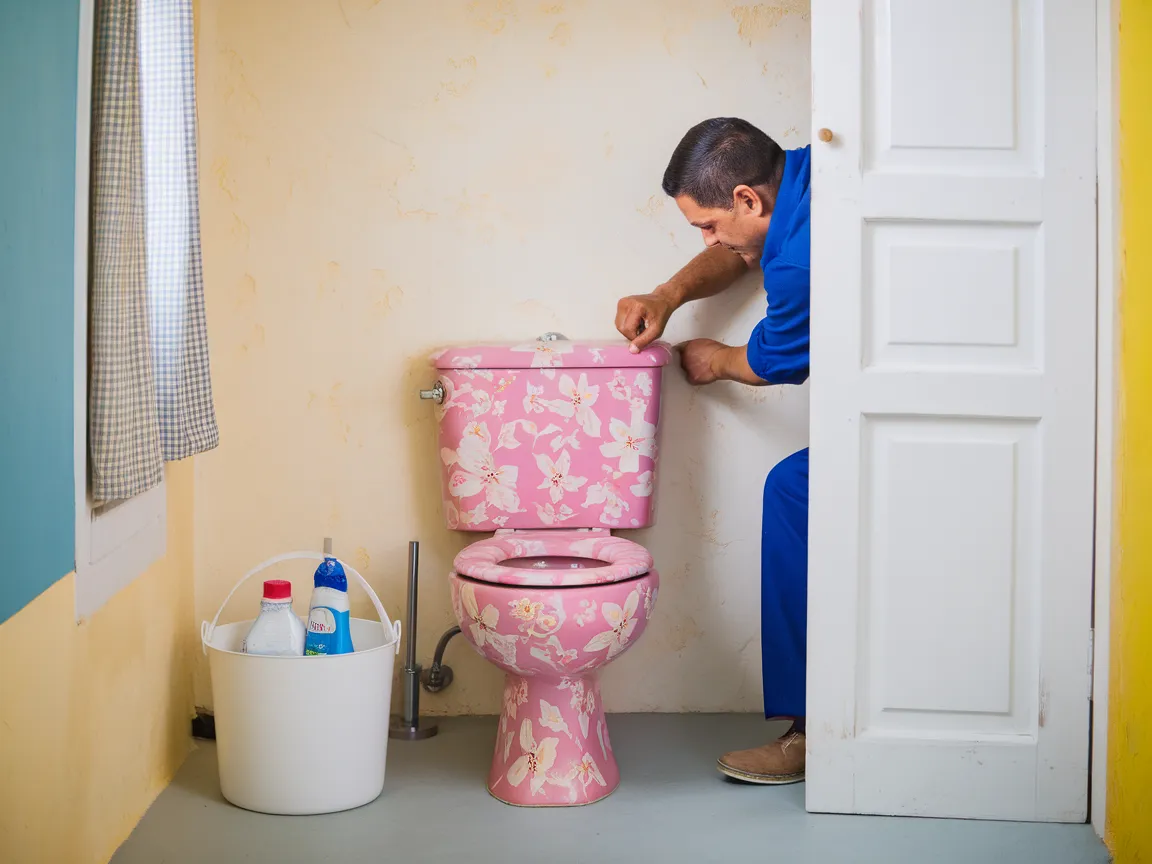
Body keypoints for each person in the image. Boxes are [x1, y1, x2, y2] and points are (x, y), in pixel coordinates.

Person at [615, 117, 810, 785]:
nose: (708, 240)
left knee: (794, 492)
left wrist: (717, 359)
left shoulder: (799, 263)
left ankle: (810, 734)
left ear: (749, 198)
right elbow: (741, 245)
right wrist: (665, 295)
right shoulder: (806, 174)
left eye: (707, 224)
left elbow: (777, 360)